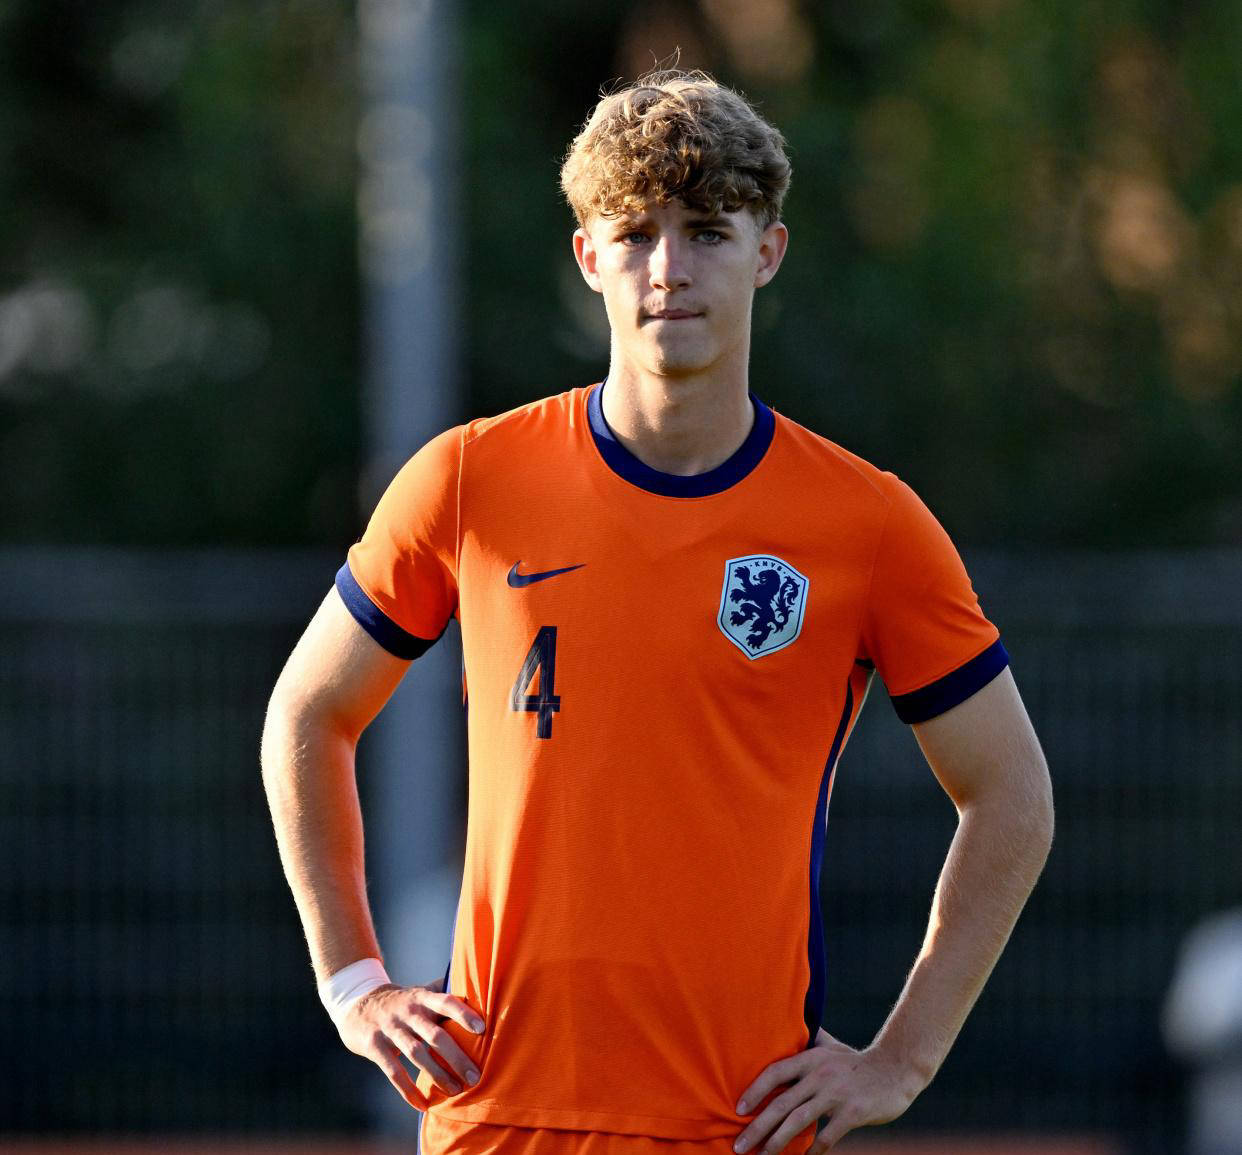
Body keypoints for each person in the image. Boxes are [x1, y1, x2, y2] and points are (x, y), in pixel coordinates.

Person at [261, 70, 1054, 1155]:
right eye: (635, 234)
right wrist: (354, 982)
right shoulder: (470, 479)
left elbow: (1012, 795)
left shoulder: (869, 524)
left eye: (708, 231)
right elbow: (308, 713)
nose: (669, 269)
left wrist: (899, 1060)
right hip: (496, 1115)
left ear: (768, 251)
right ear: (588, 256)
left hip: (738, 1123)